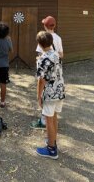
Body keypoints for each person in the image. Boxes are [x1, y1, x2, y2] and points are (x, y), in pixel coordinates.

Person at [35, 31, 65, 159]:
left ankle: (51, 149)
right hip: (60, 90)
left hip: (49, 93)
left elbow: (42, 80)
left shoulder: (43, 59)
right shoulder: (56, 55)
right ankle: (53, 141)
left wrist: (39, 96)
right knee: (54, 118)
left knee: (48, 120)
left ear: (40, 45)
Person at [31, 16, 64, 129]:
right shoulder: (58, 38)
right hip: (56, 71)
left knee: (44, 94)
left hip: (45, 71)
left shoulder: (43, 37)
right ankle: (49, 121)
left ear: (45, 26)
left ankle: (43, 121)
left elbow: (40, 54)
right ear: (54, 25)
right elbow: (61, 55)